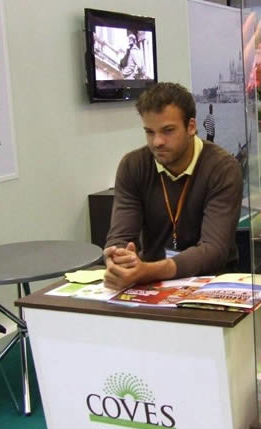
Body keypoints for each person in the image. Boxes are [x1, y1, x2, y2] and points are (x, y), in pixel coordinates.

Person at [103, 82, 243, 290]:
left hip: (211, 281)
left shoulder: (222, 168)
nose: (157, 142)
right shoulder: (133, 166)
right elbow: (120, 236)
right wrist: (117, 259)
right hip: (150, 281)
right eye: (150, 132)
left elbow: (214, 250)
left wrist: (147, 271)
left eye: (168, 131)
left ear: (191, 127)